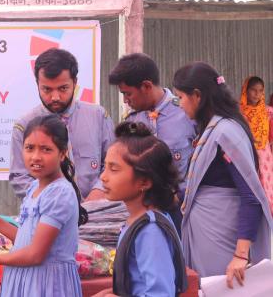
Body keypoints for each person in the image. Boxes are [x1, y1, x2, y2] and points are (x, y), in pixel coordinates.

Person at [173, 62, 273, 287]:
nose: (180, 105)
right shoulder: (212, 128)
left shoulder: (226, 132)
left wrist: (240, 256)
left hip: (223, 246)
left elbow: (251, 197)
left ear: (197, 96)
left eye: (180, 97)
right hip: (209, 240)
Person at [0, 115, 87, 297]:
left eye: (46, 149)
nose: (36, 157)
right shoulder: (35, 186)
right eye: (29, 148)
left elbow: (35, 254)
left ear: (63, 153)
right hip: (28, 278)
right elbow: (27, 241)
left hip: (46, 284)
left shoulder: (59, 193)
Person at [93, 122, 187, 297]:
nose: (103, 177)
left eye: (114, 169)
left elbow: (161, 294)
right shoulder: (137, 221)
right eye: (105, 167)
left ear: (144, 181)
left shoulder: (150, 231)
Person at [9, 48, 114, 201]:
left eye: (63, 88)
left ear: (75, 83)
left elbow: (113, 164)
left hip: (98, 209)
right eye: (47, 89)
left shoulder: (98, 116)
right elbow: (20, 177)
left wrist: (98, 193)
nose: (55, 97)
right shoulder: (24, 125)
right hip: (48, 211)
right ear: (37, 84)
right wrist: (57, 202)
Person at [108, 53, 195, 232]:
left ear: (146, 86)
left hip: (184, 210)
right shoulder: (131, 121)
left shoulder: (186, 114)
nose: (125, 100)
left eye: (128, 93)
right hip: (143, 210)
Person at [240, 76, 273, 215]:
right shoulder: (239, 112)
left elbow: (271, 136)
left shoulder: (268, 112)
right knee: (250, 186)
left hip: (265, 156)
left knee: (267, 186)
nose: (257, 94)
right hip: (246, 152)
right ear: (246, 90)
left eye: (260, 91)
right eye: (253, 90)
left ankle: (268, 216)